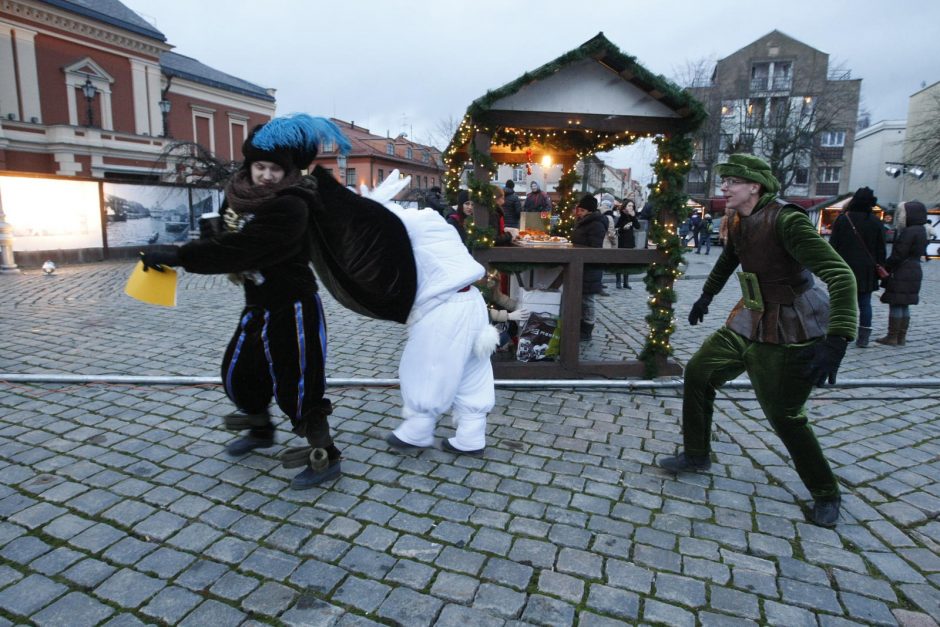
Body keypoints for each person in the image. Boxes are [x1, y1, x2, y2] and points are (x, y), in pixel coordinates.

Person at [139, 114, 353, 490]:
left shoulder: (293, 205)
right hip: (259, 304)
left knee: (298, 384)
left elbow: (243, 249)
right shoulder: (238, 196)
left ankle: (325, 455)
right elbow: (226, 239)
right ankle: (260, 429)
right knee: (240, 371)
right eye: (261, 166)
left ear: (288, 171)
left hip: (293, 306)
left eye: (275, 168)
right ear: (249, 166)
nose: (267, 175)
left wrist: (180, 255)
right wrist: (212, 233)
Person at [657, 154, 857, 528]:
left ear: (755, 186)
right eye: (725, 180)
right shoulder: (736, 219)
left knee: (784, 415)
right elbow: (728, 261)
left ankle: (826, 493)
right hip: (748, 317)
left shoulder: (788, 220)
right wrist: (706, 296)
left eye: (732, 180)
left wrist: (838, 339)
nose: (725, 187)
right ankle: (697, 454)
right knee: (699, 372)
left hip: (792, 324)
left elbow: (841, 275)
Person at [364, 175, 498, 456]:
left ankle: (418, 428)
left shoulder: (409, 229)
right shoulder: (440, 228)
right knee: (473, 369)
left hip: (445, 309)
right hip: (472, 303)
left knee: (428, 365)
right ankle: (471, 435)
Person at [828, 187, 887, 348]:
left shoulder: (843, 220)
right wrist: (880, 266)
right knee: (865, 303)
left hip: (843, 267)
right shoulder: (876, 222)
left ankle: (839, 335)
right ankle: (863, 338)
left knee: (841, 303)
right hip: (867, 270)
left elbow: (832, 247)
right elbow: (881, 248)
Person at [874, 200, 928, 346]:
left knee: (896, 303)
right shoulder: (921, 230)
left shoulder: (909, 232)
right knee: (904, 304)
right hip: (914, 269)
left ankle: (892, 336)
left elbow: (898, 255)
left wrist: (886, 266)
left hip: (903, 271)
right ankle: (901, 337)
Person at [570, 193, 607, 340]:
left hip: (590, 267)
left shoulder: (596, 224)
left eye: (582, 210)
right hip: (581, 266)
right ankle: (580, 325)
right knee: (582, 298)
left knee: (588, 300)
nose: (579, 212)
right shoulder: (583, 222)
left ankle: (587, 328)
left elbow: (594, 249)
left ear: (589, 211)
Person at [615, 199, 640, 289]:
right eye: (629, 205)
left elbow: (638, 226)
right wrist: (623, 228)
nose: (631, 207)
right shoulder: (621, 216)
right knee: (620, 262)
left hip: (630, 242)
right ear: (625, 206)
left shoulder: (632, 216)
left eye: (632, 206)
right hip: (622, 242)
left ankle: (626, 282)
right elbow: (616, 229)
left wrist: (633, 217)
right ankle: (618, 281)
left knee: (627, 263)